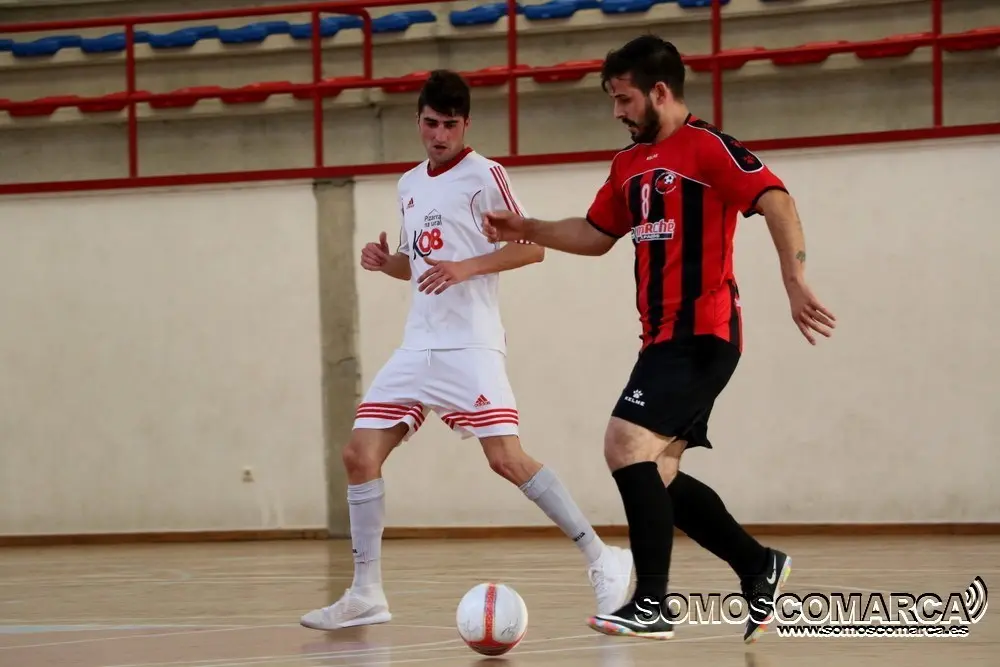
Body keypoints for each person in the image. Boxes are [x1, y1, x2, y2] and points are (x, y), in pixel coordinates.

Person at [480, 35, 836, 643]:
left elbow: (776, 201)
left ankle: (651, 603)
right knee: (659, 476)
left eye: (624, 99)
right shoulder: (628, 165)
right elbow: (596, 234)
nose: (617, 111)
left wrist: (794, 281)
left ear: (660, 92)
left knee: (624, 444)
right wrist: (528, 226)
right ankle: (757, 565)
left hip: (704, 332)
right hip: (662, 340)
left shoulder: (706, 147)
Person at [299, 69, 634, 632]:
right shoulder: (409, 184)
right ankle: (365, 592)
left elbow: (531, 249)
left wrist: (466, 267)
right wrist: (389, 264)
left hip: (470, 345)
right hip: (417, 345)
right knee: (359, 455)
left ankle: (603, 558)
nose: (440, 136)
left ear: (466, 125)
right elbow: (420, 266)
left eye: (450, 126)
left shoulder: (486, 176)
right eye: (431, 124)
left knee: (506, 460)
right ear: (418, 121)